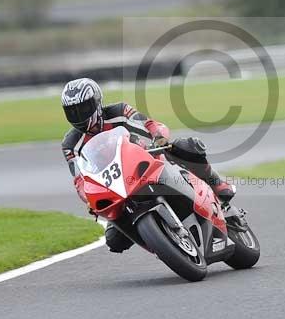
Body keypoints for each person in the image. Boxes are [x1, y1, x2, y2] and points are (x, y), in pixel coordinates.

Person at [60, 78, 236, 252]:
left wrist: (158, 137)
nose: (79, 115)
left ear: (97, 102)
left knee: (187, 146)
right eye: (72, 111)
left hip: (145, 163)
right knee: (114, 240)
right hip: (116, 188)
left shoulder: (119, 111)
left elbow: (148, 124)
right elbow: (80, 179)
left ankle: (217, 184)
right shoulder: (70, 144)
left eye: (83, 108)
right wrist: (88, 197)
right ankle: (163, 244)